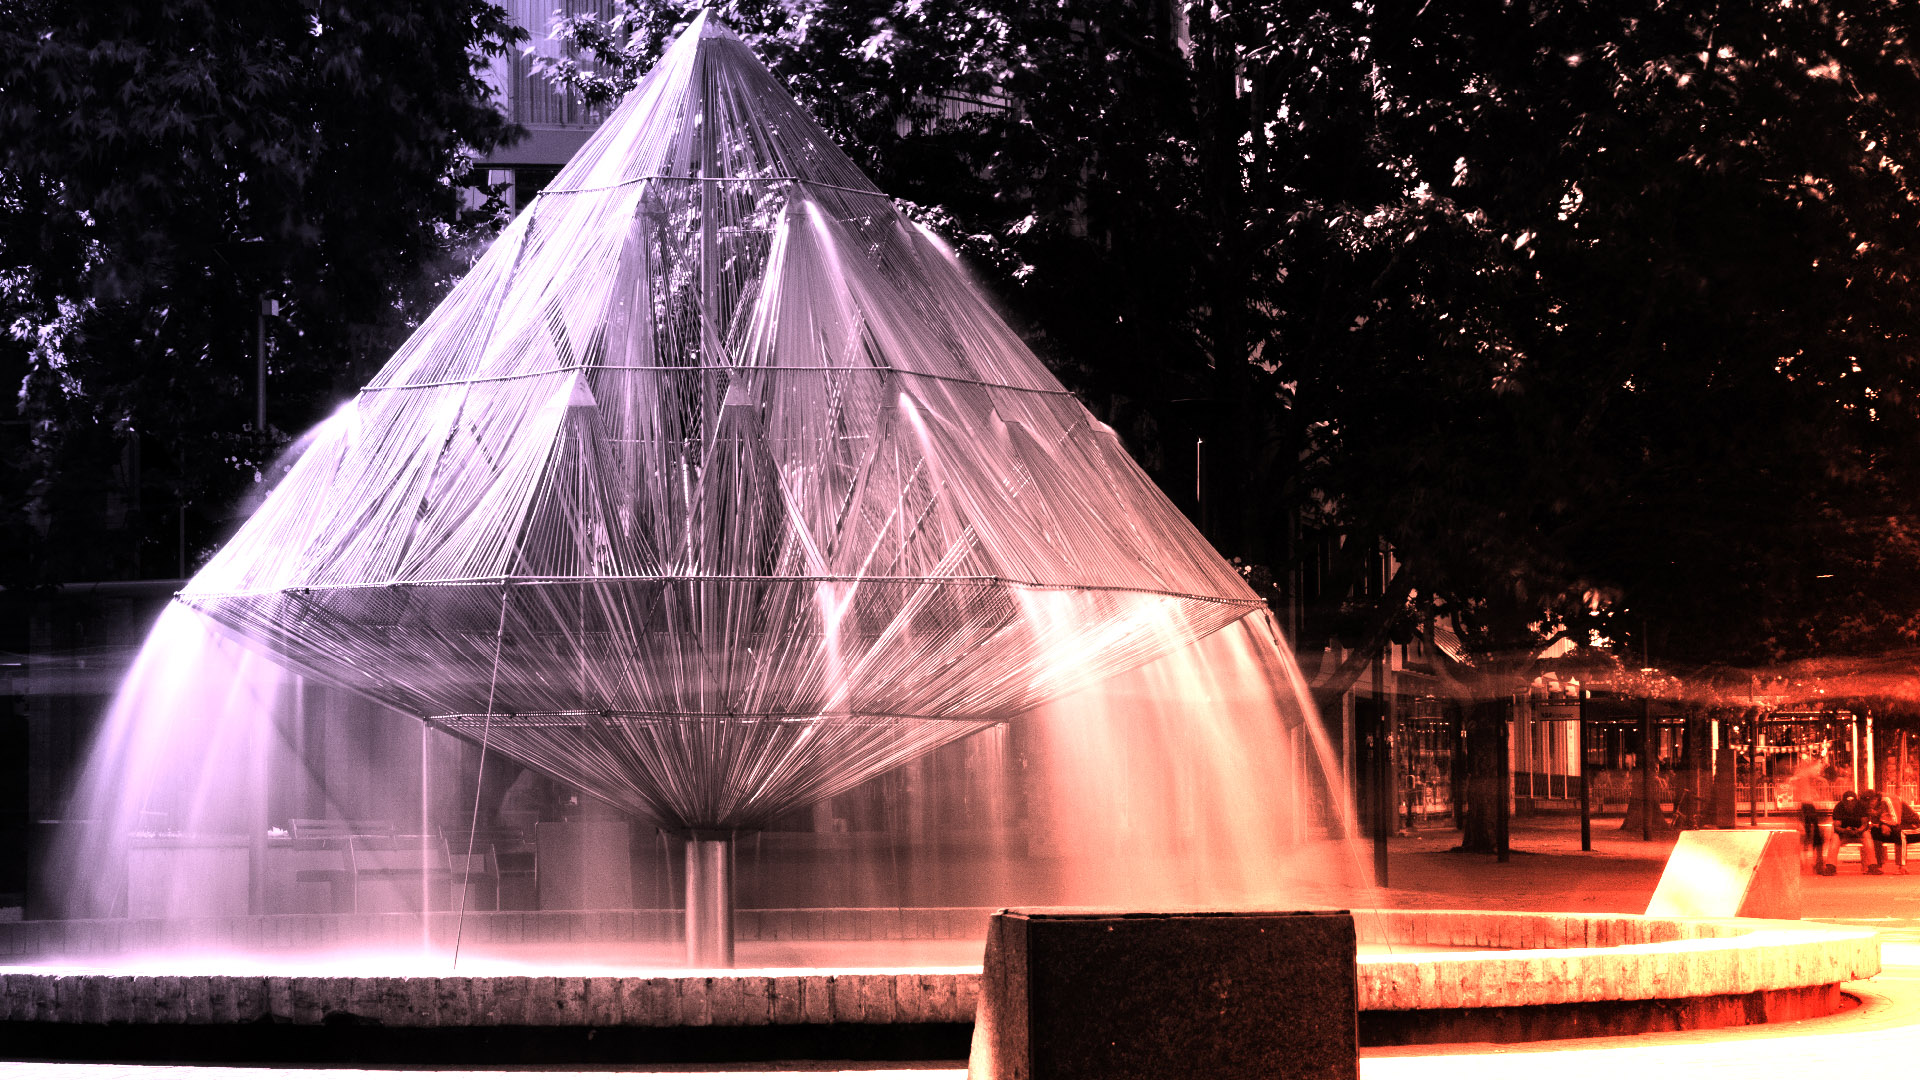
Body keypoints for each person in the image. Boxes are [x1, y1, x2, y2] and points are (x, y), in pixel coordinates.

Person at [1823, 790, 1883, 875]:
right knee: (1834, 838)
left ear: (1855, 802)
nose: (1850, 805)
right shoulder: (1839, 807)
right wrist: (1845, 830)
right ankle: (1830, 867)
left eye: (1852, 802)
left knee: (1867, 836)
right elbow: (1836, 826)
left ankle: (1872, 866)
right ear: (1844, 802)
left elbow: (1865, 824)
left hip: (1859, 833)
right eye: (1847, 803)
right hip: (1843, 834)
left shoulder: (1861, 806)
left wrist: (1858, 830)